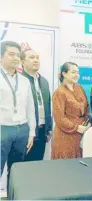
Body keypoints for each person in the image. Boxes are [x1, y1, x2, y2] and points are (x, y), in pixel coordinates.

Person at [0, 41, 35, 183]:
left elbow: (30, 108)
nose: (15, 58)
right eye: (11, 54)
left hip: (22, 130)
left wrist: (31, 132)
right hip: (2, 129)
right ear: (1, 57)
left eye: (17, 55)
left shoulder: (24, 80)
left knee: (16, 172)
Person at [52, 62, 90, 159]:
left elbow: (86, 107)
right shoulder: (59, 92)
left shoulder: (79, 87)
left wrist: (87, 123)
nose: (76, 75)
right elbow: (59, 118)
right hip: (66, 135)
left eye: (78, 72)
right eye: (73, 72)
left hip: (82, 133)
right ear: (64, 74)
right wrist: (76, 127)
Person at [21, 49, 52, 161]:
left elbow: (47, 106)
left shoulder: (44, 81)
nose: (36, 60)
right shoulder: (20, 81)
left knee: (37, 165)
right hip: (26, 132)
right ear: (22, 61)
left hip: (42, 131)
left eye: (37, 57)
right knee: (22, 167)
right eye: (31, 57)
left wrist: (49, 127)